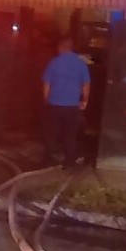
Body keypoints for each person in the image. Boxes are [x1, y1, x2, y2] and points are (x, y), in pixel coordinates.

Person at [42, 36, 91, 170]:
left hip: (54, 104)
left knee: (52, 133)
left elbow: (47, 83)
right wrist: (84, 100)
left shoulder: (53, 62)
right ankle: (69, 161)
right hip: (72, 105)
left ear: (61, 47)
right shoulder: (81, 64)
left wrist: (46, 98)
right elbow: (86, 84)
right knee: (70, 134)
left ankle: (49, 159)